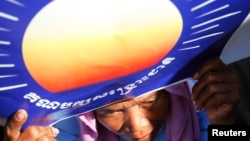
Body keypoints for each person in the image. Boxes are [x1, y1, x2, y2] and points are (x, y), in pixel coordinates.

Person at [2, 57, 240, 141]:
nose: (138, 127)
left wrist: (226, 122)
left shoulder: (198, 99)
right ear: (90, 112)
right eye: (109, 112)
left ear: (171, 91)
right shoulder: (67, 125)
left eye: (149, 102)